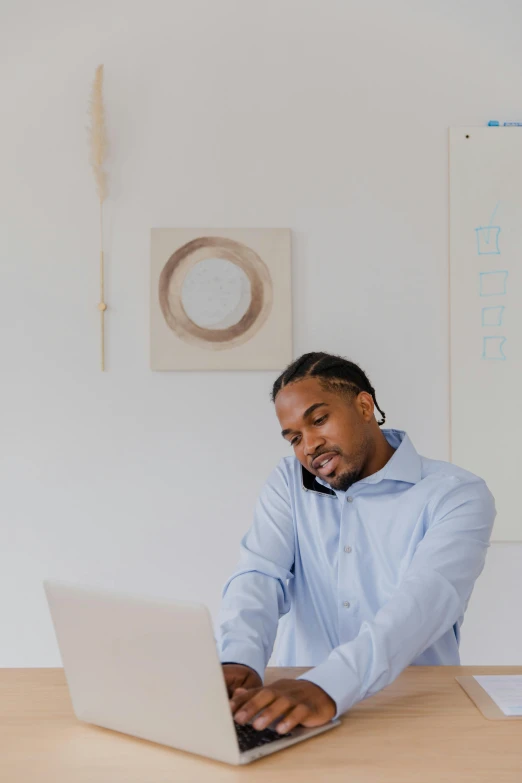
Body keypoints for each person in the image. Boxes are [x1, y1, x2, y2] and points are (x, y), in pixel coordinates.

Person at [217, 352, 495, 736]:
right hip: (292, 709)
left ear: (364, 406)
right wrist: (238, 659)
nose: (309, 446)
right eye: (294, 438)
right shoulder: (288, 482)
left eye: (318, 421)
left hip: (415, 710)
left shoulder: (456, 494)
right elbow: (260, 575)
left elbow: (426, 601)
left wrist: (327, 686)